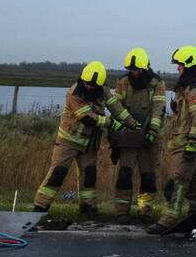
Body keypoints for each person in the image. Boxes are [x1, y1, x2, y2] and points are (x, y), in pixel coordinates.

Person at [32, 61, 138, 217]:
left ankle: (88, 208)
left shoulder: (103, 90)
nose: (88, 87)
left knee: (89, 176)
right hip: (68, 142)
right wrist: (112, 123)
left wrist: (132, 124)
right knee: (57, 174)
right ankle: (40, 208)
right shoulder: (74, 93)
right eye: (87, 84)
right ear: (82, 78)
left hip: (89, 144)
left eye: (92, 86)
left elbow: (116, 108)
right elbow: (88, 118)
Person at [147, 45, 196, 234]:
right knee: (194, 186)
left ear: (189, 66)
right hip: (187, 143)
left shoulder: (195, 88)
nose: (178, 68)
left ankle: (168, 220)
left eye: (180, 65)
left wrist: (192, 143)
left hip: (187, 144)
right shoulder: (187, 87)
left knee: (176, 182)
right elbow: (188, 115)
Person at [111, 47, 167, 221]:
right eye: (131, 70)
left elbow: (158, 109)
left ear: (144, 68)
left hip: (149, 137)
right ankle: (121, 211)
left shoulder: (157, 83)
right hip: (128, 136)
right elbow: (116, 106)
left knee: (148, 175)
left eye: (136, 70)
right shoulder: (122, 81)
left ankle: (145, 211)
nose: (133, 73)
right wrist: (119, 130)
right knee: (125, 173)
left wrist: (152, 131)